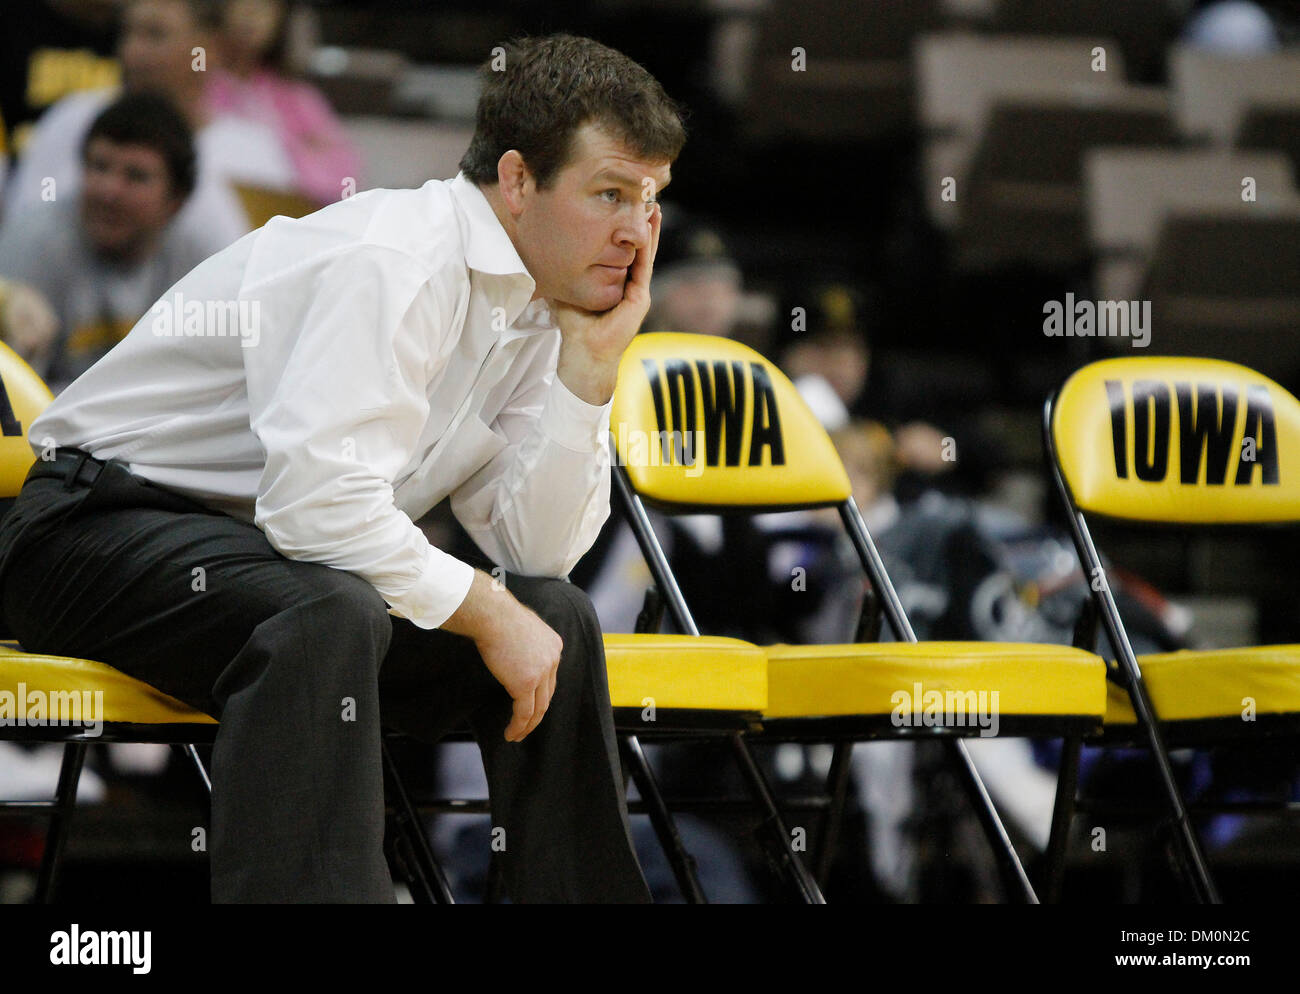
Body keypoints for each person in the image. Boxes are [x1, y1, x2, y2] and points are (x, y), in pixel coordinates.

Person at [0, 32, 683, 903]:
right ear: (517, 182)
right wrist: (483, 612)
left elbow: (535, 552)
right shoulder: (395, 258)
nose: (638, 230)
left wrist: (590, 372)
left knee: (556, 615)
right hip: (85, 538)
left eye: (653, 199)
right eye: (611, 193)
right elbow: (318, 508)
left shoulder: (537, 308)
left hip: (263, 562)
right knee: (334, 611)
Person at [4, 0, 284, 253]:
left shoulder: (255, 149)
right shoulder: (74, 118)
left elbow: (271, 262)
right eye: (127, 33)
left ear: (208, 49)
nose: (132, 51)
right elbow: (26, 229)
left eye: (154, 35)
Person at [0, 92, 207, 391]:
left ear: (176, 201)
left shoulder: (194, 259)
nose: (109, 191)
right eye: (99, 167)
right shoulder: (34, 244)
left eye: (135, 176)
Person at [210, 0, 364, 205]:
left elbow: (345, 176)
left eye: (266, 6)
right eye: (240, 2)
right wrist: (301, 148)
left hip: (279, 217)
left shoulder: (298, 96)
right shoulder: (194, 84)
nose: (251, 12)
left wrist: (280, 150)